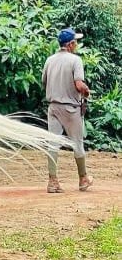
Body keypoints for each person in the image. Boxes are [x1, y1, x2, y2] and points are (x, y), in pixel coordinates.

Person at [42, 27, 92, 193]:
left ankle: (53, 182)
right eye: (75, 42)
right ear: (70, 44)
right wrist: (86, 91)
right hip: (70, 108)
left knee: (53, 143)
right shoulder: (75, 60)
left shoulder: (50, 60)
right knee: (77, 143)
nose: (76, 44)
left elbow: (44, 82)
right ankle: (83, 179)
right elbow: (79, 85)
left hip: (53, 107)